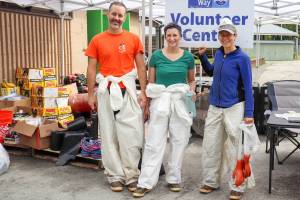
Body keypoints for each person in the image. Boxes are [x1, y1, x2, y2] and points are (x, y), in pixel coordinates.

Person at [85, 1, 148, 193]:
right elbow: (91, 68)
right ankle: (114, 175)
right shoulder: (97, 40)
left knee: (131, 134)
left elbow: (141, 67)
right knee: (108, 133)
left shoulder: (133, 39)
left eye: (120, 15)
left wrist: (143, 91)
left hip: (126, 89)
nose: (117, 18)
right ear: (107, 14)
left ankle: (131, 175)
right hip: (105, 90)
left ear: (125, 18)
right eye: (114, 14)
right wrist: (90, 94)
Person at [132, 23, 196, 198]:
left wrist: (192, 92)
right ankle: (145, 182)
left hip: (179, 102)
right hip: (159, 102)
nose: (172, 39)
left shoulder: (188, 57)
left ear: (180, 36)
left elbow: (191, 80)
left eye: (175, 35)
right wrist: (147, 106)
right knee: (153, 142)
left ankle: (174, 178)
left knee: (179, 140)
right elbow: (150, 84)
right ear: (165, 37)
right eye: (169, 35)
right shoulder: (156, 56)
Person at [198, 18, 254, 200]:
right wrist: (203, 57)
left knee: (236, 148)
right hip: (215, 106)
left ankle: (238, 184)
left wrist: (249, 114)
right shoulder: (220, 54)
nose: (225, 37)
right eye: (222, 34)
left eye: (228, 34)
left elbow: (248, 85)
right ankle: (211, 181)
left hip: (235, 107)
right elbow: (212, 71)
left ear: (235, 36)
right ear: (219, 37)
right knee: (211, 145)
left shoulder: (243, 58)